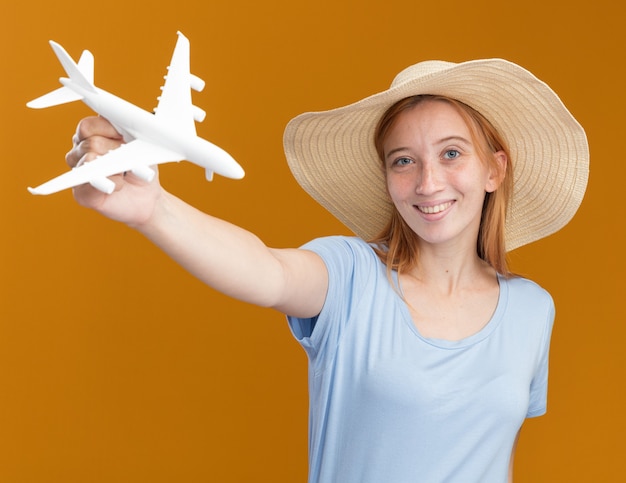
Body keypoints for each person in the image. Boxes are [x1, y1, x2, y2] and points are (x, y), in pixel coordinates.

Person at [65, 59, 589, 482]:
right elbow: (266, 270)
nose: (429, 183)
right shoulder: (352, 276)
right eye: (403, 160)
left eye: (451, 154)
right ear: (387, 178)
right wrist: (152, 208)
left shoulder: (532, 309)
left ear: (494, 169)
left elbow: (492, 457)